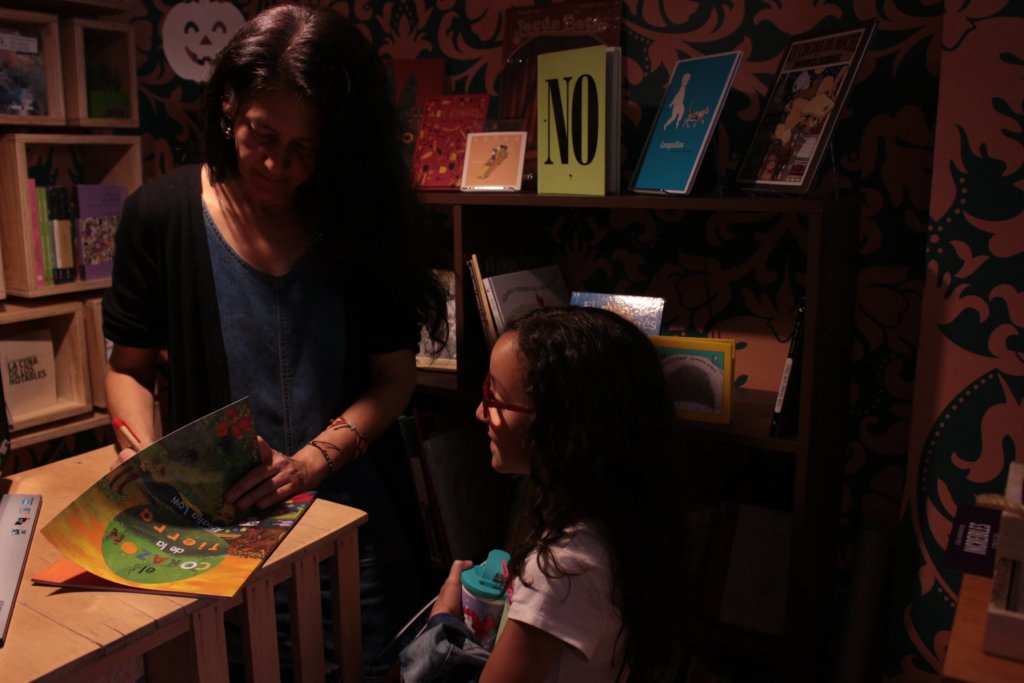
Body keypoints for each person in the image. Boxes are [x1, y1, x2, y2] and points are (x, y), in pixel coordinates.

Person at [102, 4, 447, 679]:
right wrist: (145, 463)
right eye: (261, 134)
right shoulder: (160, 215)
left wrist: (312, 462)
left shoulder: (357, 220)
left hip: (351, 529)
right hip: (218, 533)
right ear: (228, 105)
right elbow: (129, 368)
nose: (275, 163)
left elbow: (395, 377)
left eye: (304, 149)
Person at [400, 307, 687, 682]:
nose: (480, 412)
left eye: (494, 397)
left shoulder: (562, 567)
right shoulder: (621, 518)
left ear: (561, 427)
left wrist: (443, 621)